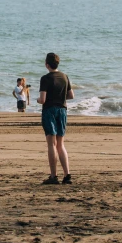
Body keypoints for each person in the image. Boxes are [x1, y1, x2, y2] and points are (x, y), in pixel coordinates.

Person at [37, 52, 74, 185]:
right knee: (60, 144)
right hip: (62, 110)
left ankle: (53, 176)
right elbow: (71, 95)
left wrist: (37, 100)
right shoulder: (65, 77)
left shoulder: (45, 78)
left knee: (51, 144)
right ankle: (67, 174)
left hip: (49, 111)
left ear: (47, 65)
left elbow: (42, 99)